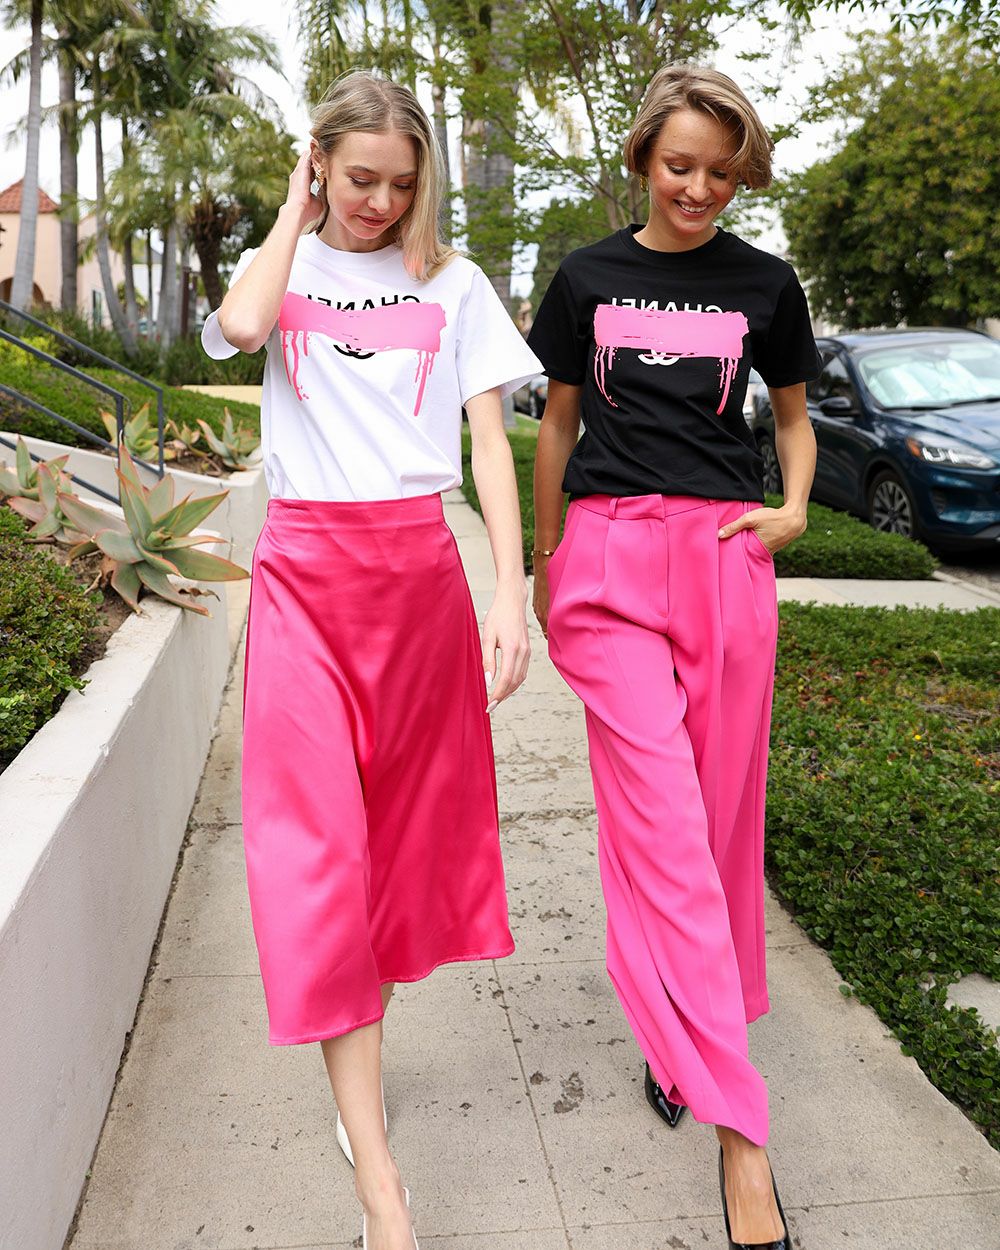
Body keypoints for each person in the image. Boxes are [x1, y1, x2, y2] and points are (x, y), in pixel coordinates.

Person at [202, 70, 541, 1250]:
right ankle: (382, 1188)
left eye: (400, 185)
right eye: (357, 179)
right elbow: (245, 328)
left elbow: (488, 446)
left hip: (418, 582)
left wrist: (509, 591)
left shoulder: (453, 281)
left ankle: (359, 1068)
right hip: (306, 578)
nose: (379, 204)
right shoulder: (285, 263)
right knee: (317, 859)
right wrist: (293, 214)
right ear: (318, 163)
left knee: (396, 863)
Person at [528, 65, 820, 1250]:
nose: (698, 188)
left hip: (721, 555)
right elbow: (555, 423)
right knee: (660, 822)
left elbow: (790, 415)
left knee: (717, 824)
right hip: (606, 561)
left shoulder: (765, 283)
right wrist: (545, 563)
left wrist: (791, 509)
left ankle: (679, 1035)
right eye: (679, 165)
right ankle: (742, 1138)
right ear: (643, 157)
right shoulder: (585, 277)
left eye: (720, 171)